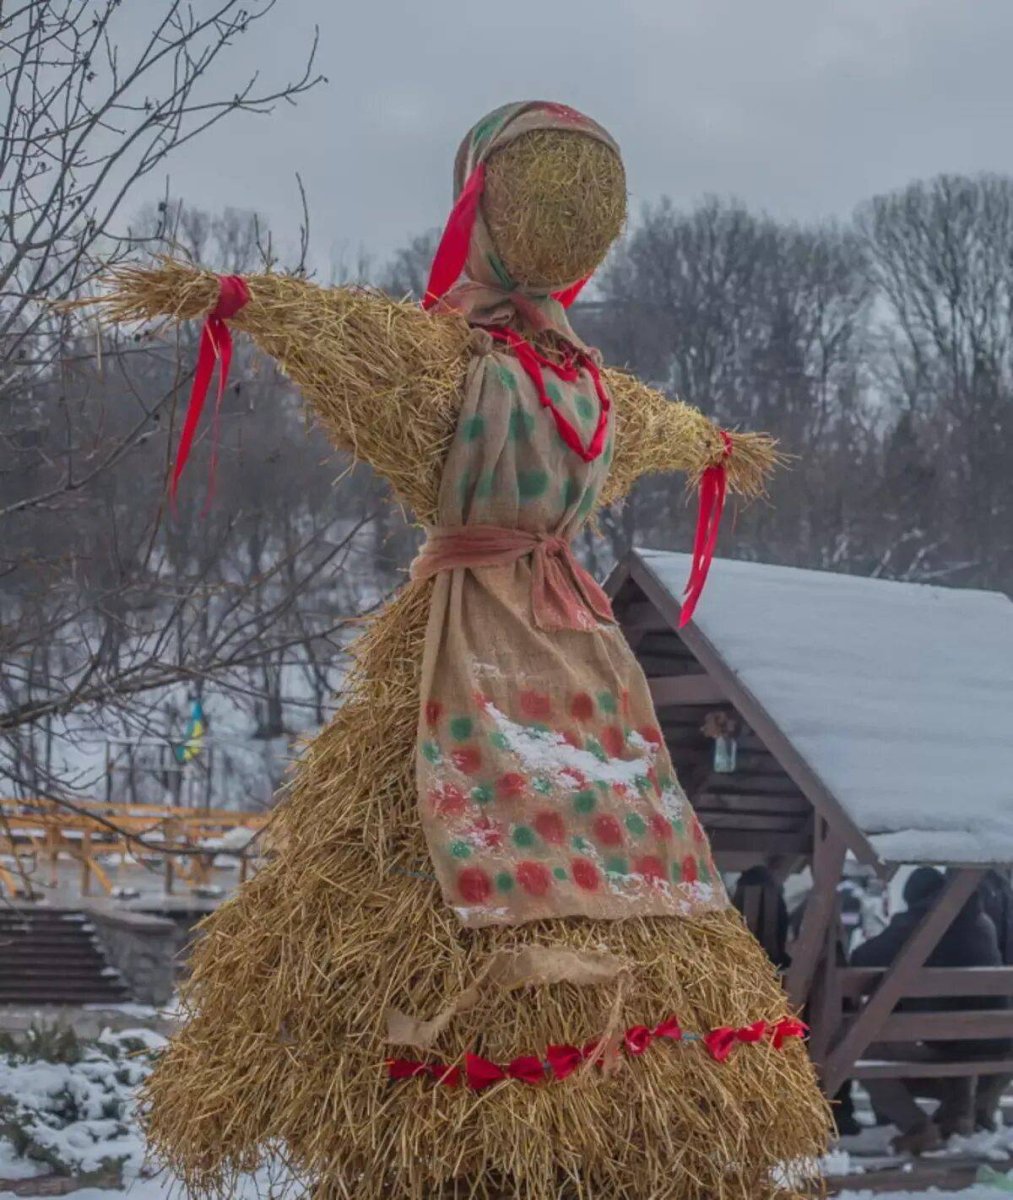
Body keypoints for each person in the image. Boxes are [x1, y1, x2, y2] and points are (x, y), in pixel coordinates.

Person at [89, 102, 830, 1198]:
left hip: (489, 632)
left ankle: (524, 1066)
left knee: (455, 832)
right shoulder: (580, 388)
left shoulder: (478, 364)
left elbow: (331, 328)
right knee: (609, 822)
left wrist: (239, 298)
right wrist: (718, 447)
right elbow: (666, 428)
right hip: (572, 646)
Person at [851, 867, 1012, 1151]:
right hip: (996, 1041)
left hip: (947, 1042)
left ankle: (916, 1126)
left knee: (858, 1048)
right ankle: (957, 1118)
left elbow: (861, 958)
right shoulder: (982, 922)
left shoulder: (917, 922)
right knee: (962, 1038)